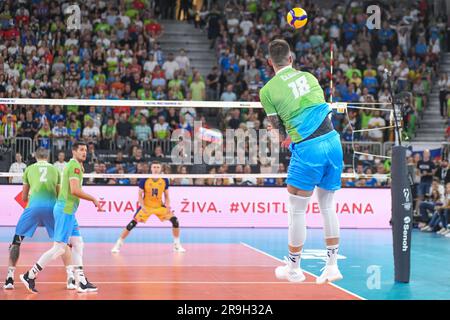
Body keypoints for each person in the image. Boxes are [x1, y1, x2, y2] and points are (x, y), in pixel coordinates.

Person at [259, 39, 343, 284]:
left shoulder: (267, 91)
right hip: (333, 141)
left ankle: (294, 269)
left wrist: (276, 133)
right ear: (291, 59)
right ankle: (332, 266)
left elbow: (282, 134)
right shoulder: (309, 77)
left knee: (296, 210)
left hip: (309, 149)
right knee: (328, 206)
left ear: (269, 62)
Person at [20, 142, 99, 294]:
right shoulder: (75, 166)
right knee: (59, 248)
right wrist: (94, 199)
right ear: (74, 151)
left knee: (77, 243)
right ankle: (30, 275)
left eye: (86, 150)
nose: (84, 152)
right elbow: (75, 190)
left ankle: (81, 280)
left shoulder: (75, 166)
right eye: (81, 150)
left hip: (68, 210)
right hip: (65, 210)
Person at [4, 148, 75, 290]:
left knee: (16, 242)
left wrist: (32, 198)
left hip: (34, 206)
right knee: (63, 243)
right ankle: (70, 278)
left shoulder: (29, 169)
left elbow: (24, 197)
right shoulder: (55, 170)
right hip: (52, 208)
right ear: (48, 156)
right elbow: (59, 194)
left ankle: (10, 279)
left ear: (35, 156)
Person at [111, 161, 186, 253]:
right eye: (154, 167)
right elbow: (139, 195)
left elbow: (166, 196)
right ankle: (118, 244)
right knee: (132, 224)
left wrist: (167, 205)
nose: (156, 169)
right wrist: (142, 206)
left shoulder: (165, 180)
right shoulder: (145, 179)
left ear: (160, 169)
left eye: (158, 167)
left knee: (175, 221)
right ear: (151, 169)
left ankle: (177, 245)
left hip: (159, 206)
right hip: (146, 206)